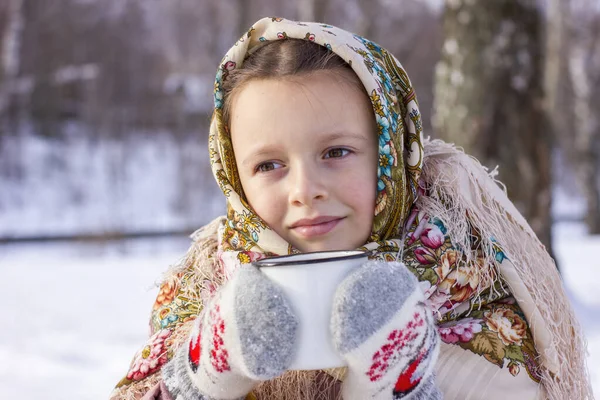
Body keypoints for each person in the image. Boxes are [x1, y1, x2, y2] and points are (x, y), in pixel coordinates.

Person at [110, 17, 591, 400]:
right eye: (269, 165)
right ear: (233, 175)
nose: (305, 190)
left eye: (336, 153)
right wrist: (204, 377)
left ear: (389, 154)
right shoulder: (208, 284)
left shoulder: (468, 271)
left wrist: (401, 387)